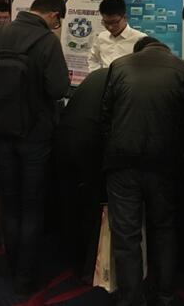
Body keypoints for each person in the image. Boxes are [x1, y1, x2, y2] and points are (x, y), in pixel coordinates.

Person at [0, 0, 69, 296]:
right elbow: (58, 88)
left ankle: (12, 265)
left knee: (10, 200)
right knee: (32, 204)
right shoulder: (46, 41)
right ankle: (26, 277)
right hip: (34, 135)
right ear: (53, 15)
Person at [101, 36, 184, 306]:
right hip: (164, 163)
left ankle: (131, 298)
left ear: (138, 50)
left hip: (122, 162)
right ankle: (165, 295)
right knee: (164, 229)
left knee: (126, 234)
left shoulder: (119, 65)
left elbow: (105, 115)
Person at [54, 67, 108, 279]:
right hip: (88, 144)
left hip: (63, 137)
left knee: (70, 199)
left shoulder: (97, 76)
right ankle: (88, 265)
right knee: (94, 203)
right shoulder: (120, 81)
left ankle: (71, 256)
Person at [88, 0, 146, 71]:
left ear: (125, 18)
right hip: (105, 78)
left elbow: (147, 66)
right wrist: (97, 74)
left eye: (114, 22)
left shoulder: (140, 39)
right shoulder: (102, 37)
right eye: (106, 22)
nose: (110, 27)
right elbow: (93, 58)